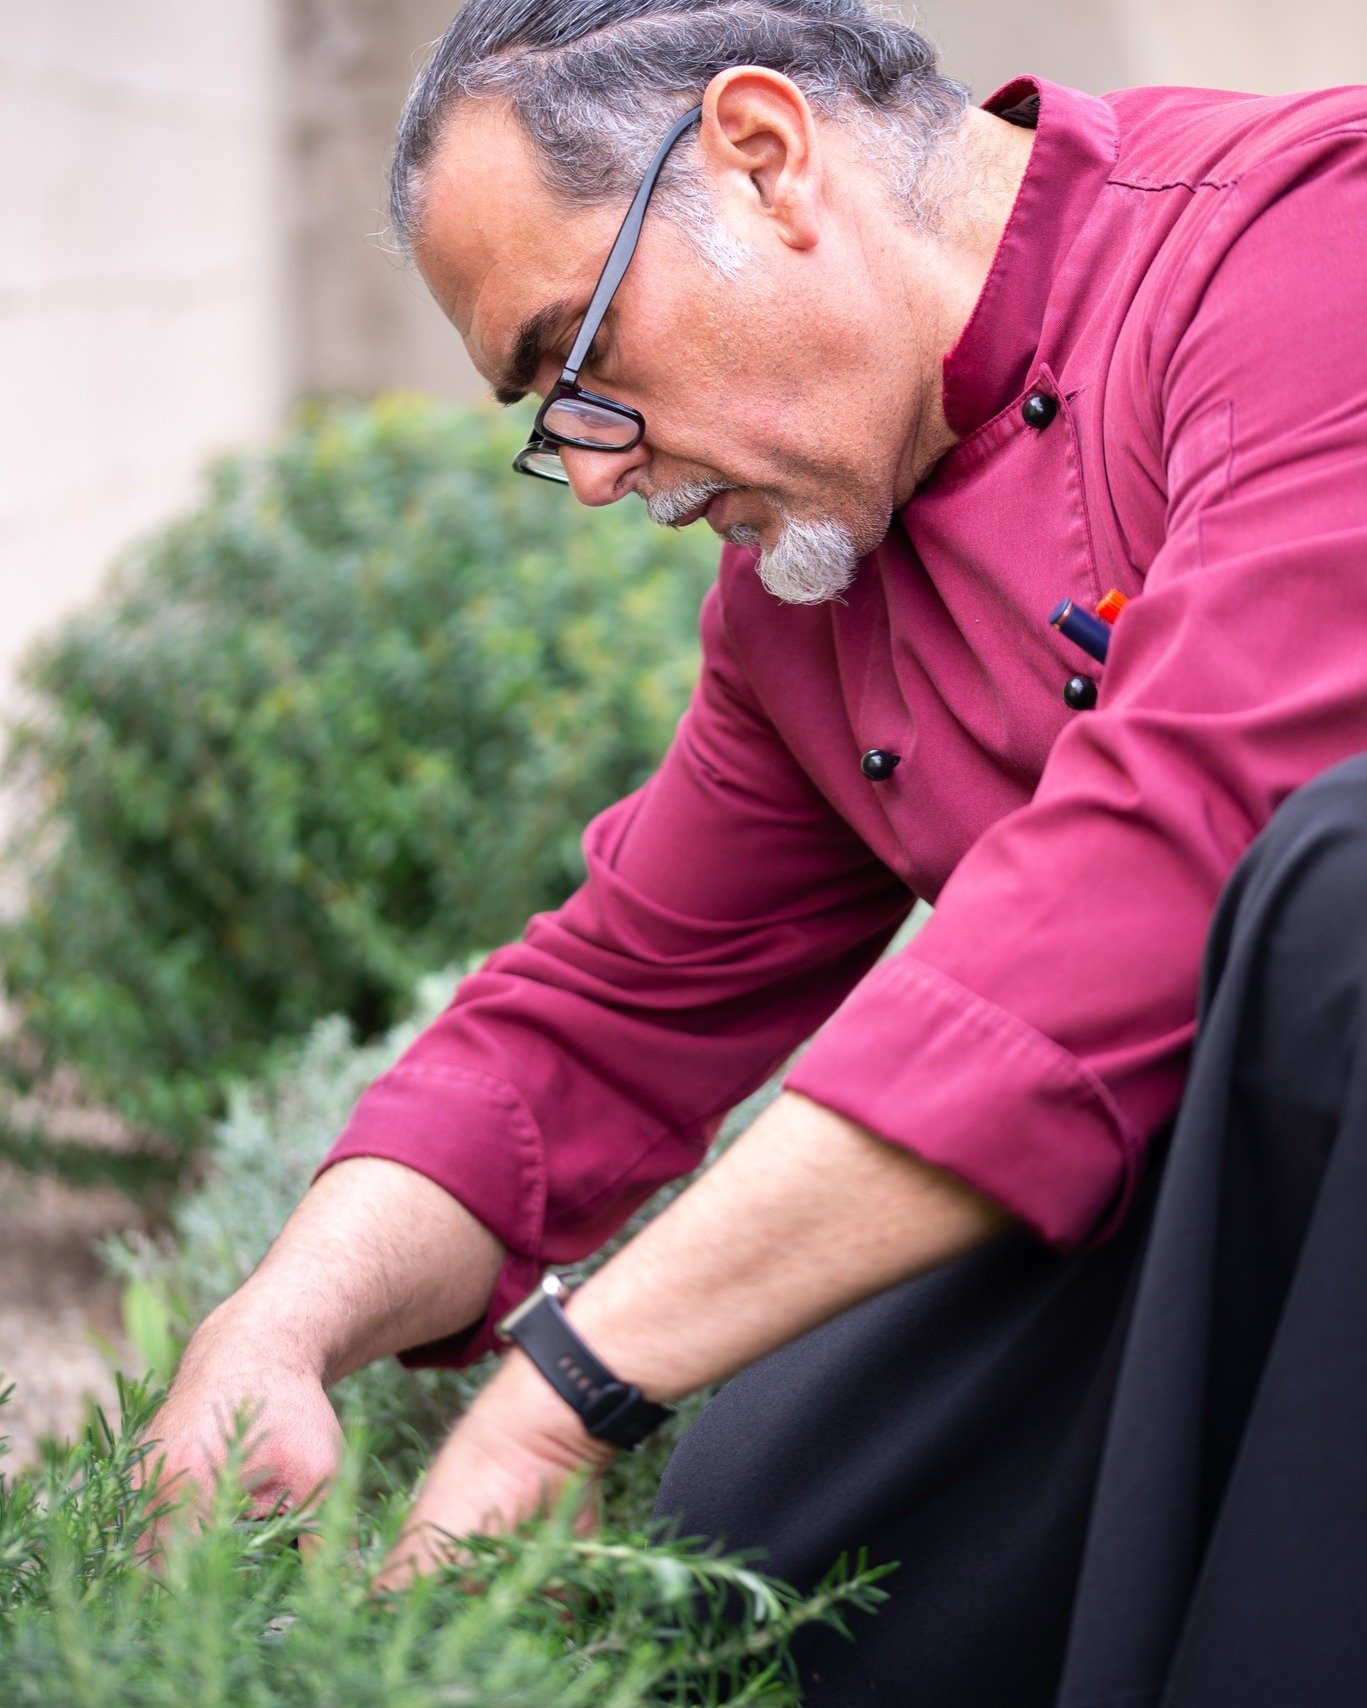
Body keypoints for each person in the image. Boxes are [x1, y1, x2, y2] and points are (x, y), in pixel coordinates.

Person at [144, 0, 1367, 1700]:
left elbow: (1175, 852)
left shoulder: (1307, 244)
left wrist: (574, 1379)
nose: (588, 478)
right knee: (782, 1525)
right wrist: (280, 1321)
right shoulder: (813, 599)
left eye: (582, 360)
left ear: (764, 155)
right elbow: (606, 1004)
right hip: (1227, 1173)